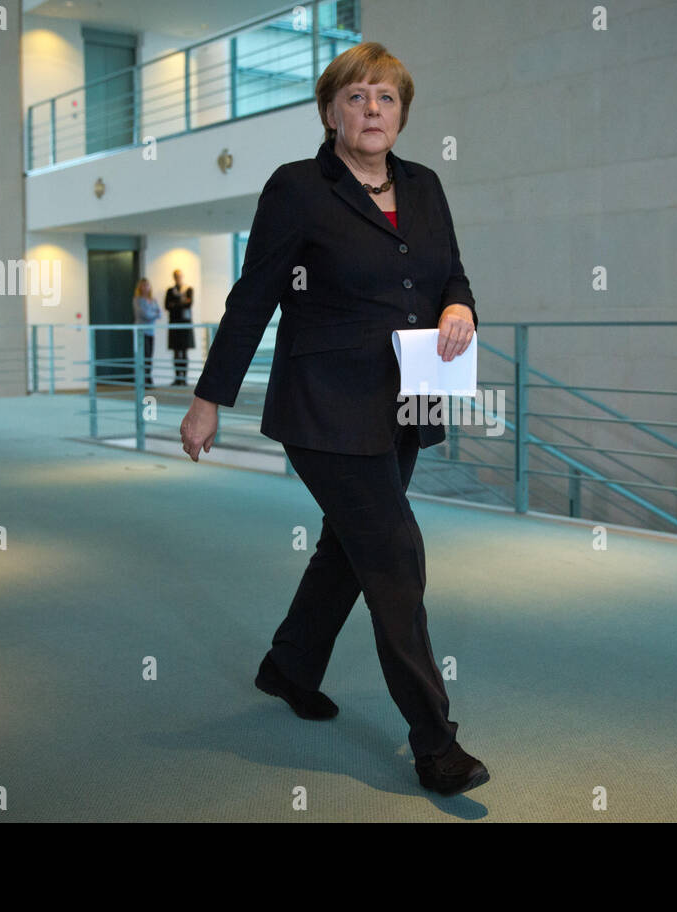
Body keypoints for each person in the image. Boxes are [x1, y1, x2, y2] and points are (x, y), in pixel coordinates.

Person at [179, 42, 488, 797]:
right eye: (356, 97)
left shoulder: (424, 185)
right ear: (330, 112)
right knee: (393, 555)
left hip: (410, 394)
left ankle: (288, 665)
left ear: (402, 112)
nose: (372, 110)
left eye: (386, 97)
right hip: (326, 404)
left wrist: (459, 306)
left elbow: (450, 272)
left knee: (349, 550)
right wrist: (208, 396)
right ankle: (434, 742)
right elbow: (254, 296)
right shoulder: (297, 189)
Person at [164, 270, 194, 386]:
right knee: (176, 351)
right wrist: (181, 302)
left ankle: (184, 378)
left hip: (185, 323)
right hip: (174, 323)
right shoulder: (170, 291)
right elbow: (167, 306)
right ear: (174, 277)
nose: (178, 278)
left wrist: (175, 304)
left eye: (180, 276)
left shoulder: (188, 289)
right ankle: (177, 378)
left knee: (184, 351)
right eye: (176, 276)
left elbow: (189, 304)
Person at [132, 278, 161, 387]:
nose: (145, 287)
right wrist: (153, 313)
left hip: (151, 331)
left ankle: (148, 378)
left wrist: (151, 314)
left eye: (147, 285)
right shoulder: (137, 300)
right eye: (143, 285)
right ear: (140, 287)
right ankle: (141, 379)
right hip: (141, 332)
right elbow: (144, 314)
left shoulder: (153, 300)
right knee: (143, 356)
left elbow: (160, 313)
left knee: (149, 356)